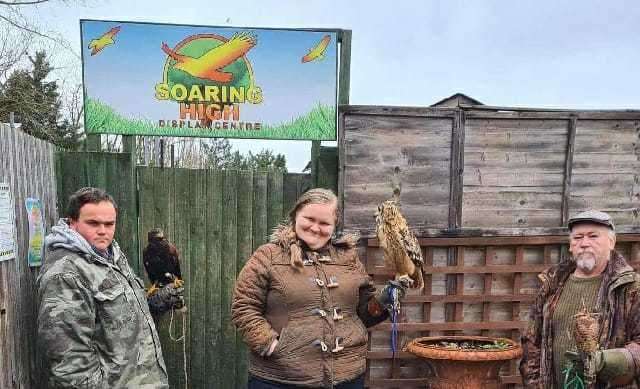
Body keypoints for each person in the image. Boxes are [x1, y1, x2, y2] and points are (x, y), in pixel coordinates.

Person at [231, 188, 402, 388]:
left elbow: (363, 313)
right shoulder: (268, 256)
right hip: (280, 379)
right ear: (295, 216)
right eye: (309, 219)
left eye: (324, 223)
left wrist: (385, 301)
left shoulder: (348, 259)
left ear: (334, 225)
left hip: (347, 376)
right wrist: (270, 344)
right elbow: (243, 306)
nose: (315, 228)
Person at [36, 187, 183, 388]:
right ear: (72, 222)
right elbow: (72, 369)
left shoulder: (111, 256)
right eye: (93, 223)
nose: (103, 231)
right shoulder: (65, 274)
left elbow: (114, 319)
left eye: (109, 223)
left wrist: (154, 305)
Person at [520, 210, 640, 388]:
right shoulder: (552, 283)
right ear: (570, 245)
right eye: (578, 238)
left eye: (593, 236)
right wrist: (534, 384)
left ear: (611, 242)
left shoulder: (630, 287)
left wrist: (607, 361)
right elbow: (532, 341)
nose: (584, 243)